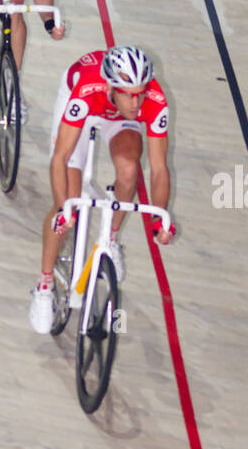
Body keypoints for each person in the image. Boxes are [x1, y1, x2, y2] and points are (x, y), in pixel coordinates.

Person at [29, 45, 175, 335]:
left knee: (130, 169)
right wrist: (62, 209)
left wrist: (160, 218)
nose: (136, 103)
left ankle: (111, 237)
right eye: (128, 94)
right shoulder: (87, 88)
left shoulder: (154, 100)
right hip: (83, 111)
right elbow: (60, 158)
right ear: (111, 86)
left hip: (116, 119)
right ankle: (44, 284)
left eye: (140, 92)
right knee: (68, 201)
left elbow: (158, 169)